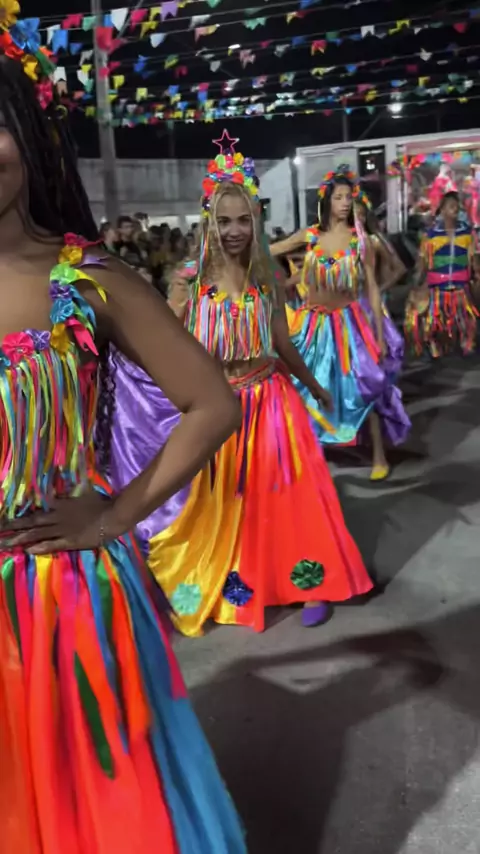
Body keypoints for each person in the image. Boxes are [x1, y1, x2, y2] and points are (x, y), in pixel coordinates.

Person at [0, 31, 247, 854]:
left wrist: (114, 516)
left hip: (59, 598)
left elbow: (211, 404)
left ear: (29, 134)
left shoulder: (89, 279)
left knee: (93, 800)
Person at [108, 141, 373, 635]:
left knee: (290, 497)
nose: (234, 231)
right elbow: (166, 347)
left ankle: (308, 584)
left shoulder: (265, 277)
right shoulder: (189, 283)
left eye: (244, 220)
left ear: (255, 222)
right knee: (230, 502)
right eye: (225, 221)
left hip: (273, 404)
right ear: (209, 222)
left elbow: (281, 343)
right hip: (220, 411)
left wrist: (313, 386)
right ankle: (237, 583)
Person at [271, 165, 410, 481]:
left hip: (350, 326)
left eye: (349, 197)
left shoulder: (362, 241)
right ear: (327, 202)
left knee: (364, 388)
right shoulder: (310, 236)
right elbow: (269, 250)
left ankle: (379, 456)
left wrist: (379, 335)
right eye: (339, 197)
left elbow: (371, 288)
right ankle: (308, 456)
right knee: (304, 389)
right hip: (313, 325)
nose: (345, 203)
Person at [405, 191, 478, 358]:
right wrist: (417, 282)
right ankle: (434, 345)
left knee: (466, 320)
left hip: (461, 287)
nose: (455, 209)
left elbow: (473, 259)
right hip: (438, 288)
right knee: (435, 322)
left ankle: (466, 344)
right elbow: (423, 262)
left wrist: (475, 274)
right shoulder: (431, 235)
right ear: (442, 209)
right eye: (451, 206)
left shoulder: (467, 233)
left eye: (457, 206)